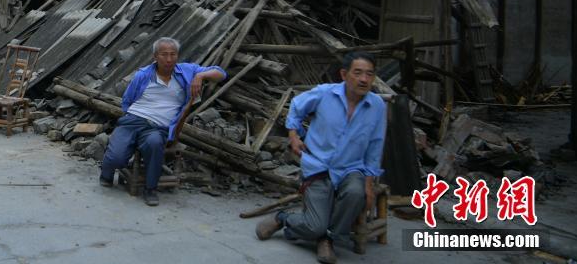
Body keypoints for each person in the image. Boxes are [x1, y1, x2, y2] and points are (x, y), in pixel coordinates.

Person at [255, 51, 386, 264]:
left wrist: (369, 185)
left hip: (350, 168)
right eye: (358, 73)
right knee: (314, 224)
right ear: (344, 74)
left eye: (369, 74)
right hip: (318, 166)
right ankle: (284, 218)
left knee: (356, 192)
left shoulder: (377, 106)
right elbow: (296, 107)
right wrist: (293, 135)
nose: (364, 79)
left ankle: (328, 239)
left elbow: (375, 144)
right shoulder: (325, 93)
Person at [99, 37, 226, 206]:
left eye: (173, 54)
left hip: (157, 128)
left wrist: (201, 75)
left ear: (177, 56)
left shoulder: (187, 71)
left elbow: (221, 73)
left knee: (154, 143)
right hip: (133, 120)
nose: (169, 59)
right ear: (155, 56)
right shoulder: (143, 75)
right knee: (116, 158)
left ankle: (150, 189)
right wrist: (130, 118)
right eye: (164, 54)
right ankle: (106, 173)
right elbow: (127, 101)